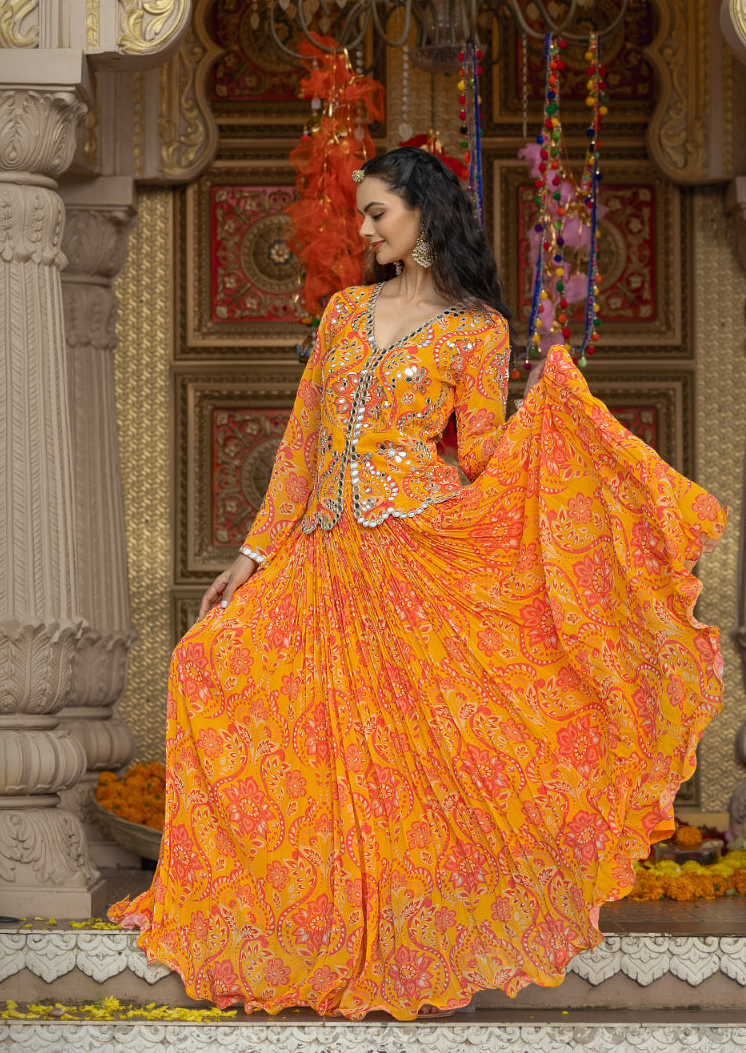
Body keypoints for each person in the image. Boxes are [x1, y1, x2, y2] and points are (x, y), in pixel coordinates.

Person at [110, 146, 726, 1021]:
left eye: (376, 213)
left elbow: (476, 456)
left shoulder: (478, 328)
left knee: (412, 756)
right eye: (361, 214)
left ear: (423, 214)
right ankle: (297, 921)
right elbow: (300, 449)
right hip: (324, 556)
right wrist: (250, 557)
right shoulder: (343, 314)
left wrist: (550, 423)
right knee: (210, 665)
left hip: (417, 553)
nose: (362, 230)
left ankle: (410, 934)